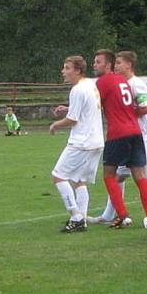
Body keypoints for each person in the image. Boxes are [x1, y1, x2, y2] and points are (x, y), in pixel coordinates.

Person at [91, 52, 147, 230]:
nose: (116, 66)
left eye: (119, 63)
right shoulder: (122, 82)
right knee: (122, 177)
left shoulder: (135, 84)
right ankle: (113, 215)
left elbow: (145, 107)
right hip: (135, 134)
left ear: (129, 65)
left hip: (142, 137)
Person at [49, 56, 104, 233]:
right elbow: (88, 108)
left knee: (58, 176)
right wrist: (68, 108)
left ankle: (76, 216)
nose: (63, 71)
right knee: (79, 181)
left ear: (77, 71)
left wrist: (55, 124)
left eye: (67, 68)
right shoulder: (90, 84)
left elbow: (73, 120)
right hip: (96, 141)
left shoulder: (78, 90)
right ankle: (83, 221)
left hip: (82, 142)